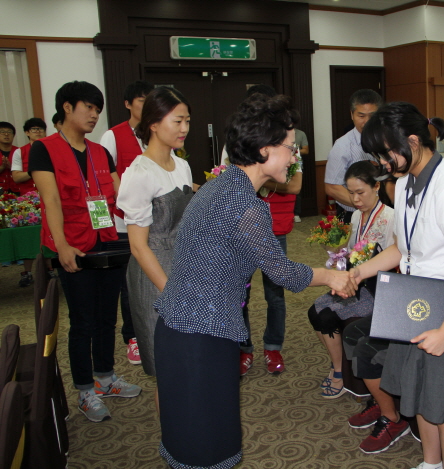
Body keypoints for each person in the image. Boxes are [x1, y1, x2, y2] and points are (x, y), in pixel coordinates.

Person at [152, 93, 356, 469]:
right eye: (290, 148)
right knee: (206, 443)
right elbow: (282, 272)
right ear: (264, 149)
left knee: (192, 437)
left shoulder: (221, 185)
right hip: (201, 336)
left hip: (179, 328)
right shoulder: (246, 205)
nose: (295, 156)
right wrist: (331, 276)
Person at [349, 102, 444, 469]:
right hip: (417, 304)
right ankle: (430, 462)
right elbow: (402, 247)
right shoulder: (407, 182)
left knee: (442, 405)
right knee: (420, 396)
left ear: (412, 140)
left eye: (386, 153)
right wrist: (360, 272)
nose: (383, 163)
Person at [30, 81, 142, 423]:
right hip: (72, 243)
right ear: (66, 107)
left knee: (108, 316)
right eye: (88, 108)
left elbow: (121, 195)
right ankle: (84, 390)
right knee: (83, 321)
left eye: (97, 109)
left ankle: (106, 377)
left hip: (106, 240)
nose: (94, 114)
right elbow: (50, 201)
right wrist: (61, 245)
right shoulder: (44, 149)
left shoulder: (98, 151)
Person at [220, 83, 304, 376]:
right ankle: (243, 349)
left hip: (275, 226)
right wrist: (262, 176)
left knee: (274, 293)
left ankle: (273, 347)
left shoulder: (287, 144)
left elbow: (295, 184)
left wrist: (259, 176)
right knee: (239, 291)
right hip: (240, 228)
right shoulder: (235, 145)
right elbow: (229, 177)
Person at [116, 86, 193, 377]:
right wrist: (171, 291)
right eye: (177, 121)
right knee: (165, 365)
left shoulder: (182, 166)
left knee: (188, 359)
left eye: (187, 120)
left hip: (183, 262)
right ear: (153, 123)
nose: (184, 128)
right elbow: (138, 246)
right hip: (153, 272)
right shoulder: (140, 172)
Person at [308, 160, 394, 399]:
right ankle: (338, 366)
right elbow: (353, 253)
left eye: (360, 192)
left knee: (326, 315)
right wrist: (338, 260)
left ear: (377, 187)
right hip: (356, 281)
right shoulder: (356, 216)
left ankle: (338, 372)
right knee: (314, 311)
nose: (355, 199)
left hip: (379, 290)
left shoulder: (390, 218)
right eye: (351, 192)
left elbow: (392, 265)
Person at [101, 79, 154, 366]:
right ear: (128, 103)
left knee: (151, 275)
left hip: (155, 221)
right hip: (125, 221)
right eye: (142, 101)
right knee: (129, 282)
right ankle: (132, 336)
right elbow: (106, 176)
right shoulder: (113, 135)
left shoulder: (155, 134)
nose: (147, 107)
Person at [325, 89, 383, 223]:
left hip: (387, 212)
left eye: (372, 115)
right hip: (354, 214)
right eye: (361, 116)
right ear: (352, 115)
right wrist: (367, 206)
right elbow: (332, 187)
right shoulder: (342, 145)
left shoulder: (388, 140)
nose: (367, 121)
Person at [10, 117, 47, 286]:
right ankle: (27, 272)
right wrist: (34, 171)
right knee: (28, 236)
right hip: (28, 201)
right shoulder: (20, 152)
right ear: (26, 133)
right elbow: (17, 177)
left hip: (47, 196)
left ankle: (51, 268)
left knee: (49, 233)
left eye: (41, 129)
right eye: (34, 129)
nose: (38, 131)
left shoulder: (51, 148)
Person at [293, 127, 309, 222]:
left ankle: (296, 213)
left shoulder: (301, 133)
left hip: (297, 164)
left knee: (297, 189)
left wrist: (294, 150)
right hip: (281, 164)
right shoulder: (279, 132)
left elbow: (306, 150)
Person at [0, 122, 19, 195]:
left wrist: (12, 167)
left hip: (17, 190)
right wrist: (2, 167)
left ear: (13, 135)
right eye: (2, 132)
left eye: (9, 132)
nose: (6, 134)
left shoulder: (20, 151)